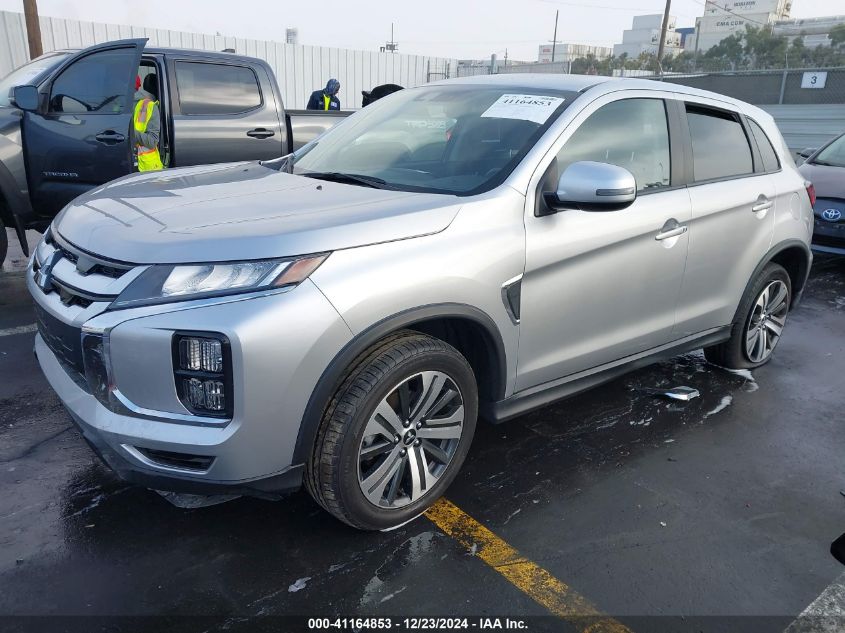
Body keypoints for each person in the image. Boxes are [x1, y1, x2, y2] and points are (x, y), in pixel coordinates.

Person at [133, 74, 163, 172]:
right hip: (145, 167)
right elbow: (152, 141)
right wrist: (129, 132)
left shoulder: (119, 105)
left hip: (137, 164)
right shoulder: (150, 106)